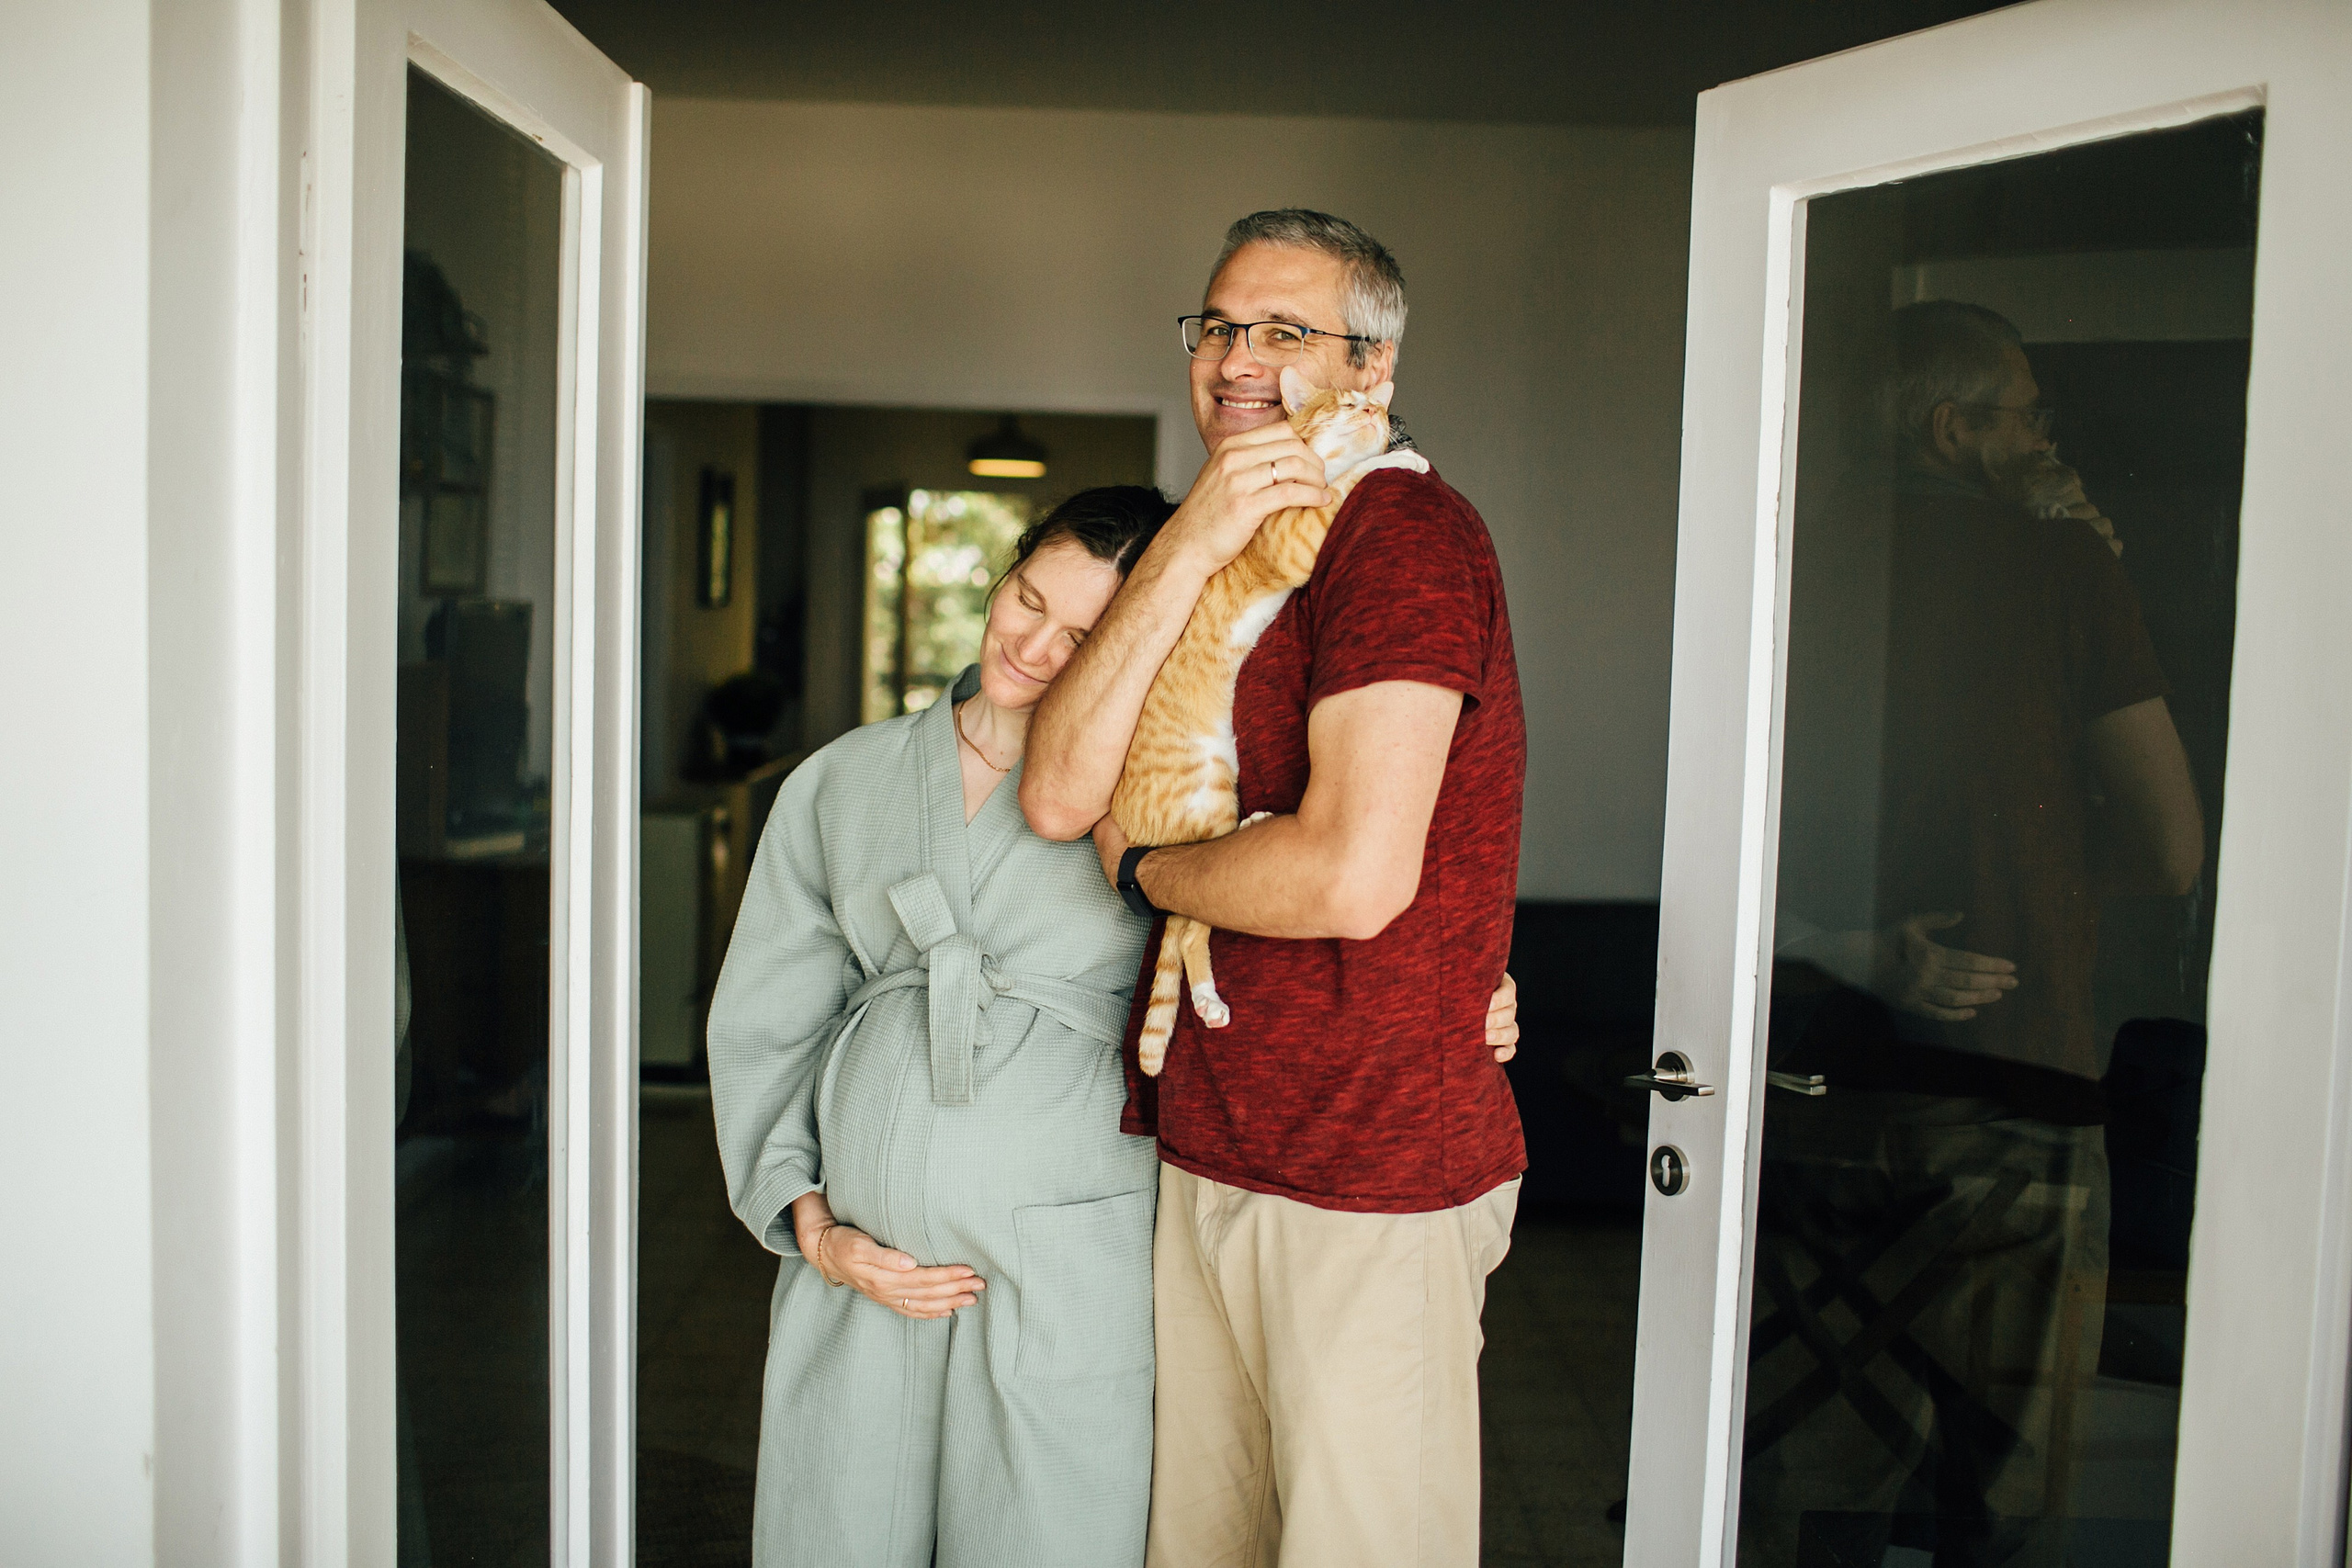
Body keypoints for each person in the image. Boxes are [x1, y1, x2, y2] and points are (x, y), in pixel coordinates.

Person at [707, 481, 1528, 1568]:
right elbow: (766, 1022)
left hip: (1068, 1275)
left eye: (1086, 633)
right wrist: (811, 1225)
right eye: (1027, 600)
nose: (1038, 647)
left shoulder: (1167, 813)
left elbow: (1313, 914)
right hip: (858, 1277)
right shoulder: (839, 783)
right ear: (1000, 580)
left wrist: (1466, 989)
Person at [1023, 210, 1528, 1568]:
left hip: (1365, 1160)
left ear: (1373, 364)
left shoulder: (1401, 532)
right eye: (1219, 325)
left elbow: (1352, 872)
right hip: (1219, 1137)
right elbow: (1059, 790)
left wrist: (1149, 872)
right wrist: (1186, 538)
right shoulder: (1226, 541)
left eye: (1286, 330)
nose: (1239, 356)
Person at [1744, 300, 2204, 1565]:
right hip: (2017, 1077)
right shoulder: (2063, 568)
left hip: (1815, 1074)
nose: (2046, 434)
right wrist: (2046, 868)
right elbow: (2171, 847)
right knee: (1997, 1483)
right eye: (2027, 412)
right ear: (1954, 428)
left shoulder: (1778, 561)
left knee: (1826, 1438)